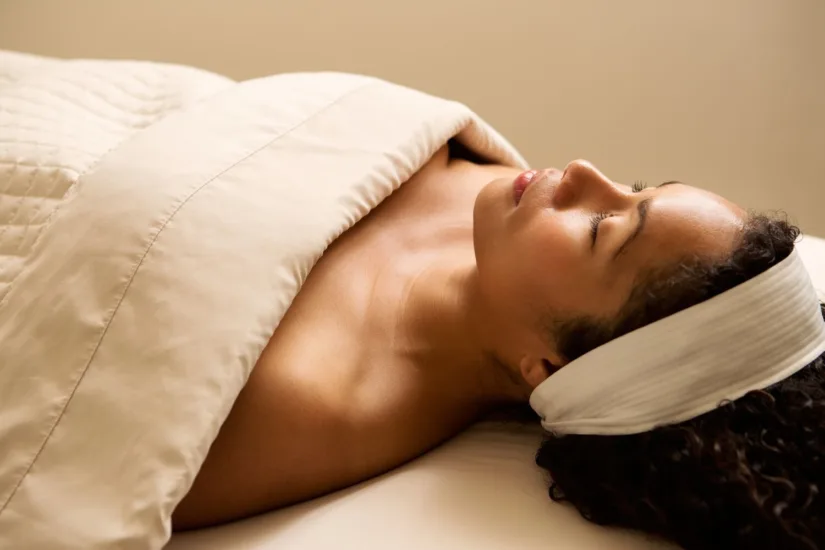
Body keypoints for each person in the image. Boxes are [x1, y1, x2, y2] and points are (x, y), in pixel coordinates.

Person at [171, 141, 823, 550]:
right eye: (634, 185)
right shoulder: (502, 197)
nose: (581, 171)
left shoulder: (298, 401)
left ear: (548, 367)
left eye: (601, 228)